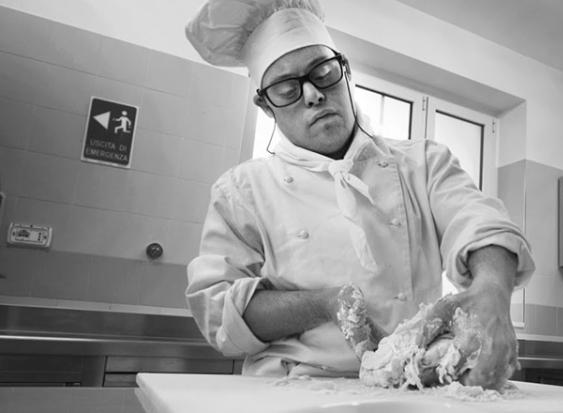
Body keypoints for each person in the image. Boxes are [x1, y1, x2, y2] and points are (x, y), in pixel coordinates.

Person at [184, 0, 534, 391]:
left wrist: (490, 290)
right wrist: (324, 303)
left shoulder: (422, 163)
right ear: (266, 106)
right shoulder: (242, 191)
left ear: (344, 71)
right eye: (287, 88)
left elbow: (479, 221)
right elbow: (219, 309)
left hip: (413, 387)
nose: (313, 94)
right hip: (290, 391)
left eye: (323, 72)